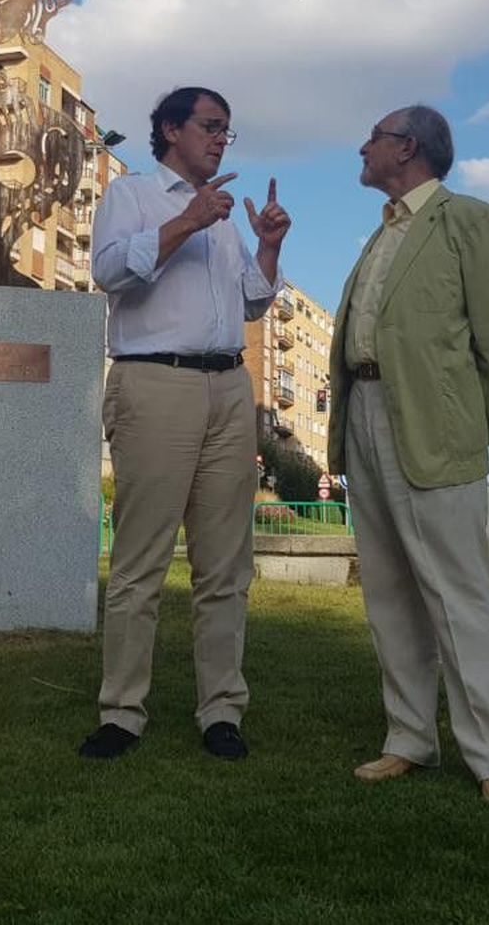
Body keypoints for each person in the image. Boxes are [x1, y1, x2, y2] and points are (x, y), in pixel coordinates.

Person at [328, 104, 489, 808]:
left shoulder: (474, 221)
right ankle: (409, 737)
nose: (363, 146)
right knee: (388, 593)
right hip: (365, 415)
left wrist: (473, 422)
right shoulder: (380, 233)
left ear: (406, 147)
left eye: (373, 136)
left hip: (435, 427)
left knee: (459, 594)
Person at [80, 86, 291, 762]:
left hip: (229, 387)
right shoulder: (134, 195)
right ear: (171, 129)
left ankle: (221, 710)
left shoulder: (226, 220)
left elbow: (253, 305)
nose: (221, 139)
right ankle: (121, 713)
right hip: (155, 382)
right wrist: (186, 223)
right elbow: (112, 272)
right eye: (210, 126)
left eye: (228, 130)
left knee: (225, 565)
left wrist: (267, 247)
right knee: (141, 560)